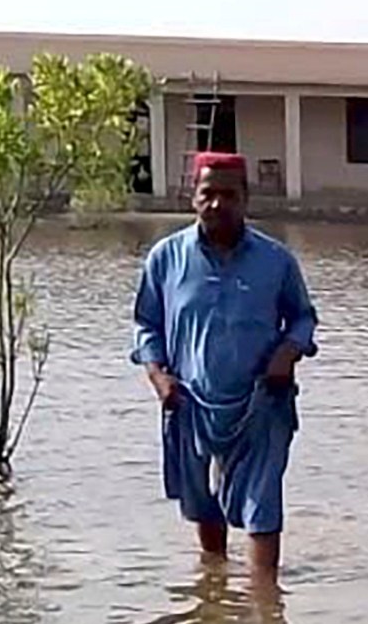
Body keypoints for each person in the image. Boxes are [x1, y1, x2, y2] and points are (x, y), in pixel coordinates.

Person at [132, 152, 318, 587]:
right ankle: (213, 594)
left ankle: (265, 607)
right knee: (202, 505)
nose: (218, 203)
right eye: (208, 193)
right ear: (192, 197)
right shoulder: (165, 259)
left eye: (228, 194)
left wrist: (287, 353)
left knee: (262, 502)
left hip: (261, 400)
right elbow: (146, 325)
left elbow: (304, 317)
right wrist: (159, 378)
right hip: (190, 401)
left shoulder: (276, 261)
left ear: (246, 198)